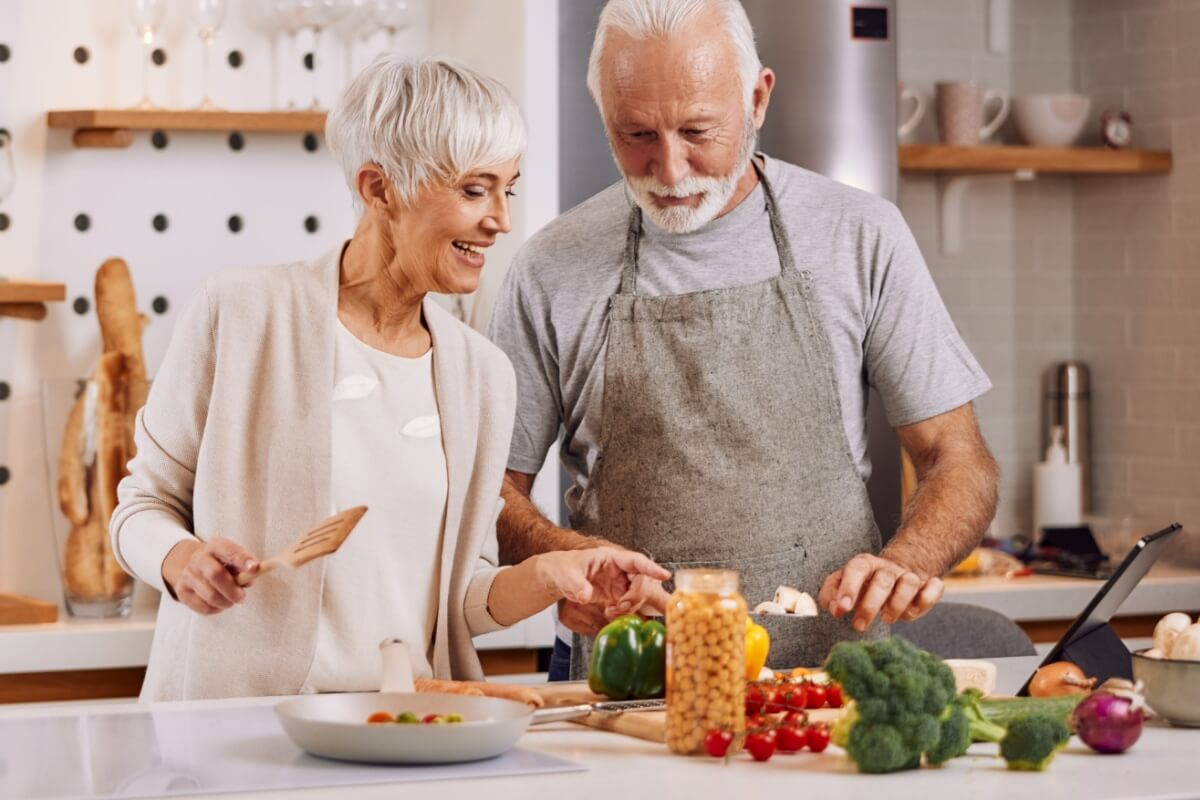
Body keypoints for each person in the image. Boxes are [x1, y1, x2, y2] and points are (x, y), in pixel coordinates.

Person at [111, 55, 668, 701]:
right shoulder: (240, 314)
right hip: (239, 732)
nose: (500, 220)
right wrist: (180, 562)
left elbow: (462, 600)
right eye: (472, 190)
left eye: (505, 189)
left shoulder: (479, 374)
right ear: (378, 189)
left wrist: (555, 574)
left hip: (406, 733)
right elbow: (141, 507)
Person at [488, 0, 999, 679]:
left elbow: (959, 459)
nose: (669, 171)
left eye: (698, 130)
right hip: (633, 691)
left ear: (757, 99)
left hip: (831, 690)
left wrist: (907, 562)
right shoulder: (549, 268)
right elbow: (488, 491)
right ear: (600, 107)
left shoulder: (861, 236)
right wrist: (563, 565)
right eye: (636, 134)